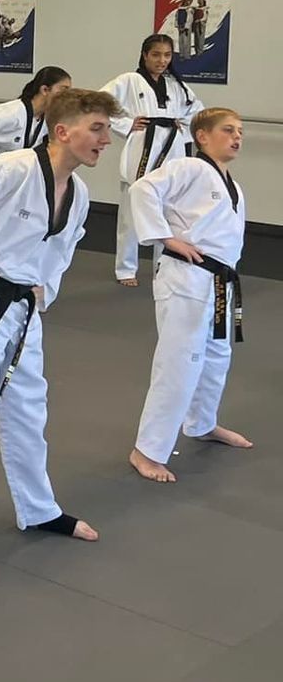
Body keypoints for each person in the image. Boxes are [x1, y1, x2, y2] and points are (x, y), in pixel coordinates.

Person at [0, 87, 122, 582]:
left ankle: (39, 508)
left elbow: (60, 248)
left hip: (20, 309)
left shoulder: (78, 193)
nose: (106, 140)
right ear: (63, 131)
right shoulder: (12, 169)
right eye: (97, 129)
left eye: (107, 130)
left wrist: (42, 290)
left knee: (29, 408)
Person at [128, 108, 250, 483]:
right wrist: (165, 236)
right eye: (228, 130)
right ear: (202, 136)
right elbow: (142, 188)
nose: (237, 137)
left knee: (216, 357)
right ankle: (146, 450)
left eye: (240, 131)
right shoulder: (190, 167)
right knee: (180, 363)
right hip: (187, 279)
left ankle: (201, 423)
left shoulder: (229, 181)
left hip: (218, 283)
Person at [102, 35, 203, 286]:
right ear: (145, 55)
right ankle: (125, 268)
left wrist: (183, 123)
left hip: (172, 146)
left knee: (169, 209)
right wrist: (125, 123)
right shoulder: (129, 80)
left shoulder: (177, 85)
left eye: (167, 55)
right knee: (130, 212)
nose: (162, 60)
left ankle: (162, 264)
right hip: (142, 146)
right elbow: (99, 102)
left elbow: (198, 110)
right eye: (156, 55)